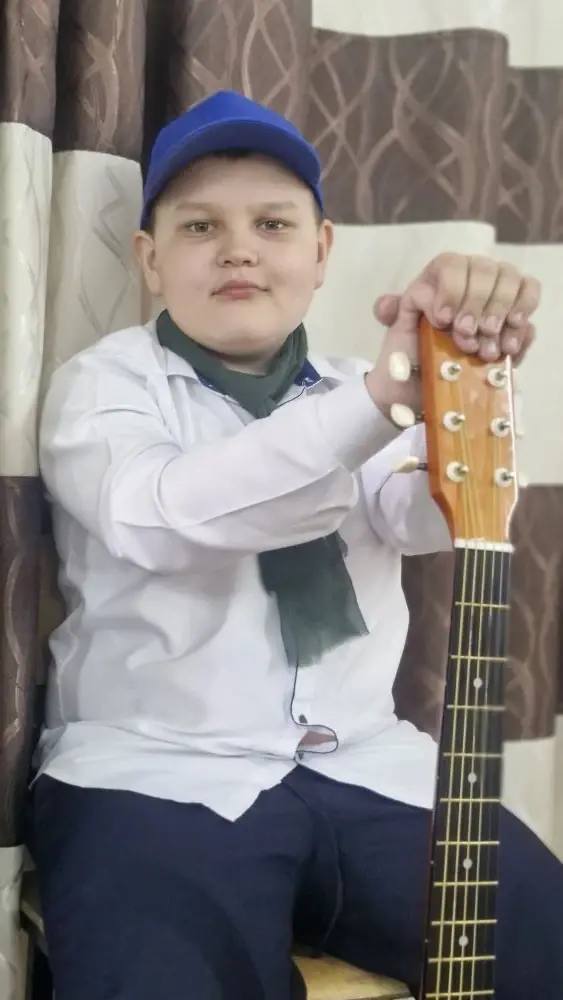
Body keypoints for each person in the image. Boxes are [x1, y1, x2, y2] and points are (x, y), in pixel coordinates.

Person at [30, 90, 562, 1000]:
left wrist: (461, 377)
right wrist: (376, 405)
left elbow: (423, 517)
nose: (238, 248)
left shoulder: (359, 388)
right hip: (156, 773)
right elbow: (165, 515)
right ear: (150, 261)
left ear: (320, 253)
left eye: (272, 223)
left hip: (367, 762)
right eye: (200, 226)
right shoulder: (103, 386)